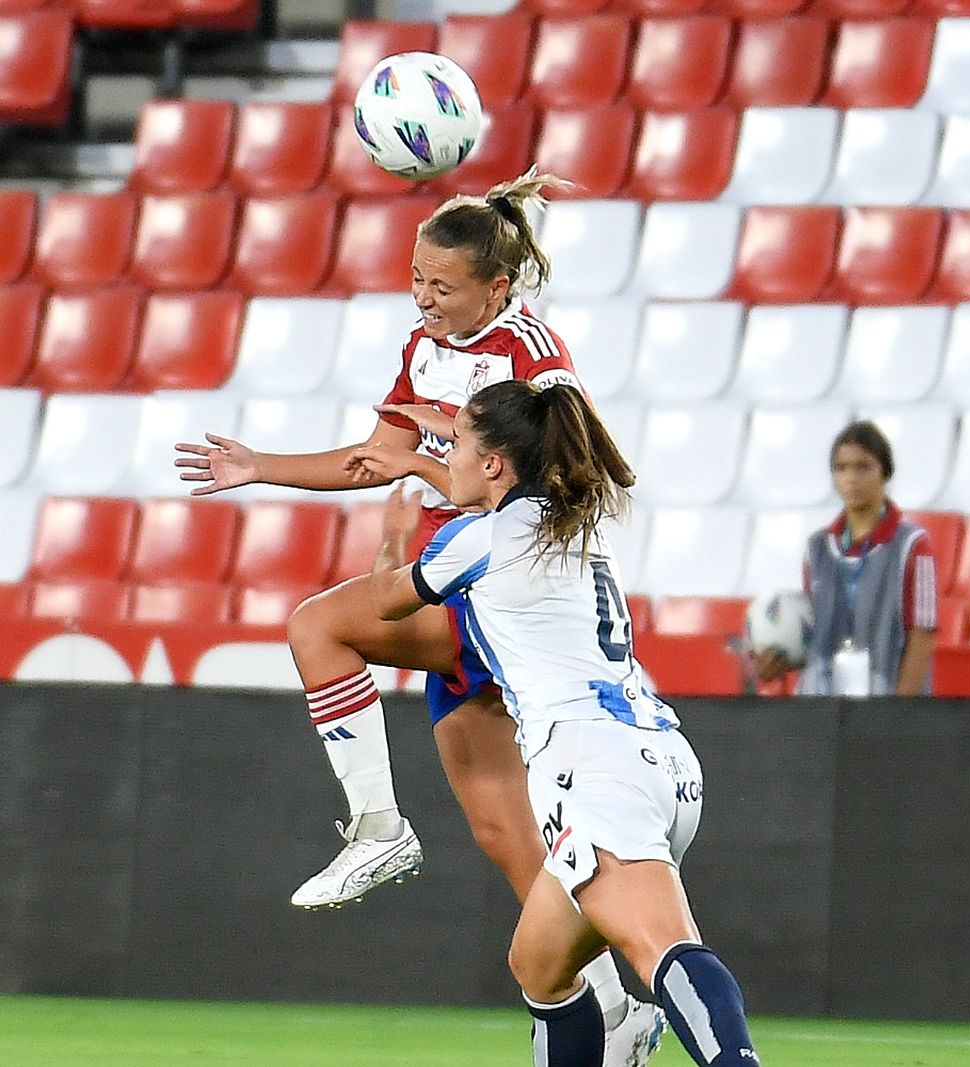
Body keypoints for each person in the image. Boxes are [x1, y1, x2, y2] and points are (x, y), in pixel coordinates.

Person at [174, 168, 663, 1065]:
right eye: (416, 279)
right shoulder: (423, 346)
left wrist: (441, 456)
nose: (424, 298)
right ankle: (617, 1007)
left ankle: (379, 828)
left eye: (443, 285)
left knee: (319, 625)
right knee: (507, 835)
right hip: (449, 575)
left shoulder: (532, 353)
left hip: (499, 584)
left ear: (498, 286)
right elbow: (377, 456)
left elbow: (572, 475)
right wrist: (261, 466)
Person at [370, 380, 761, 1067]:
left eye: (457, 444)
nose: (447, 457)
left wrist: (394, 538)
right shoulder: (580, 525)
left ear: (494, 462)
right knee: (540, 965)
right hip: (659, 762)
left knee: (661, 945)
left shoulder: (480, 538)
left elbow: (383, 603)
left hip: (594, 770)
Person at [753, 420, 938, 696]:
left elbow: (922, 635)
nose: (851, 478)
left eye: (863, 467)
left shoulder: (912, 545)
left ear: (885, 473)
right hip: (821, 707)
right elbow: (813, 635)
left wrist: (900, 712)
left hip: (885, 703)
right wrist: (779, 660)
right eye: (841, 468)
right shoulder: (817, 548)